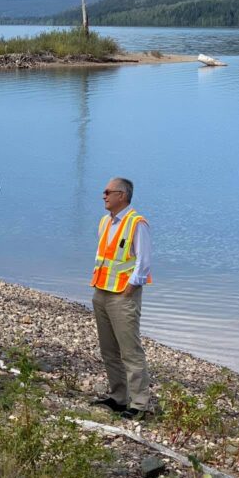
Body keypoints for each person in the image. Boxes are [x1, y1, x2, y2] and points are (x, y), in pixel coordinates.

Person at [90, 176, 152, 420]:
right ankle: (118, 398)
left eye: (108, 192)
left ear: (122, 196)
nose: (104, 196)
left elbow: (143, 262)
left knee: (130, 351)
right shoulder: (105, 222)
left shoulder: (137, 223)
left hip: (123, 295)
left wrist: (130, 287)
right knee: (109, 350)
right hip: (102, 291)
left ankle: (139, 404)